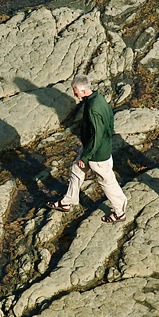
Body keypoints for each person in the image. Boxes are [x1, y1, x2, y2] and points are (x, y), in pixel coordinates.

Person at [47, 75, 128, 223]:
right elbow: (109, 121)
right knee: (76, 170)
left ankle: (120, 212)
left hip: (96, 154)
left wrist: (86, 156)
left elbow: (96, 136)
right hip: (98, 148)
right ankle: (67, 201)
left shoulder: (93, 108)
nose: (74, 94)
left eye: (75, 91)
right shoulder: (99, 99)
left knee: (107, 182)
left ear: (83, 91)